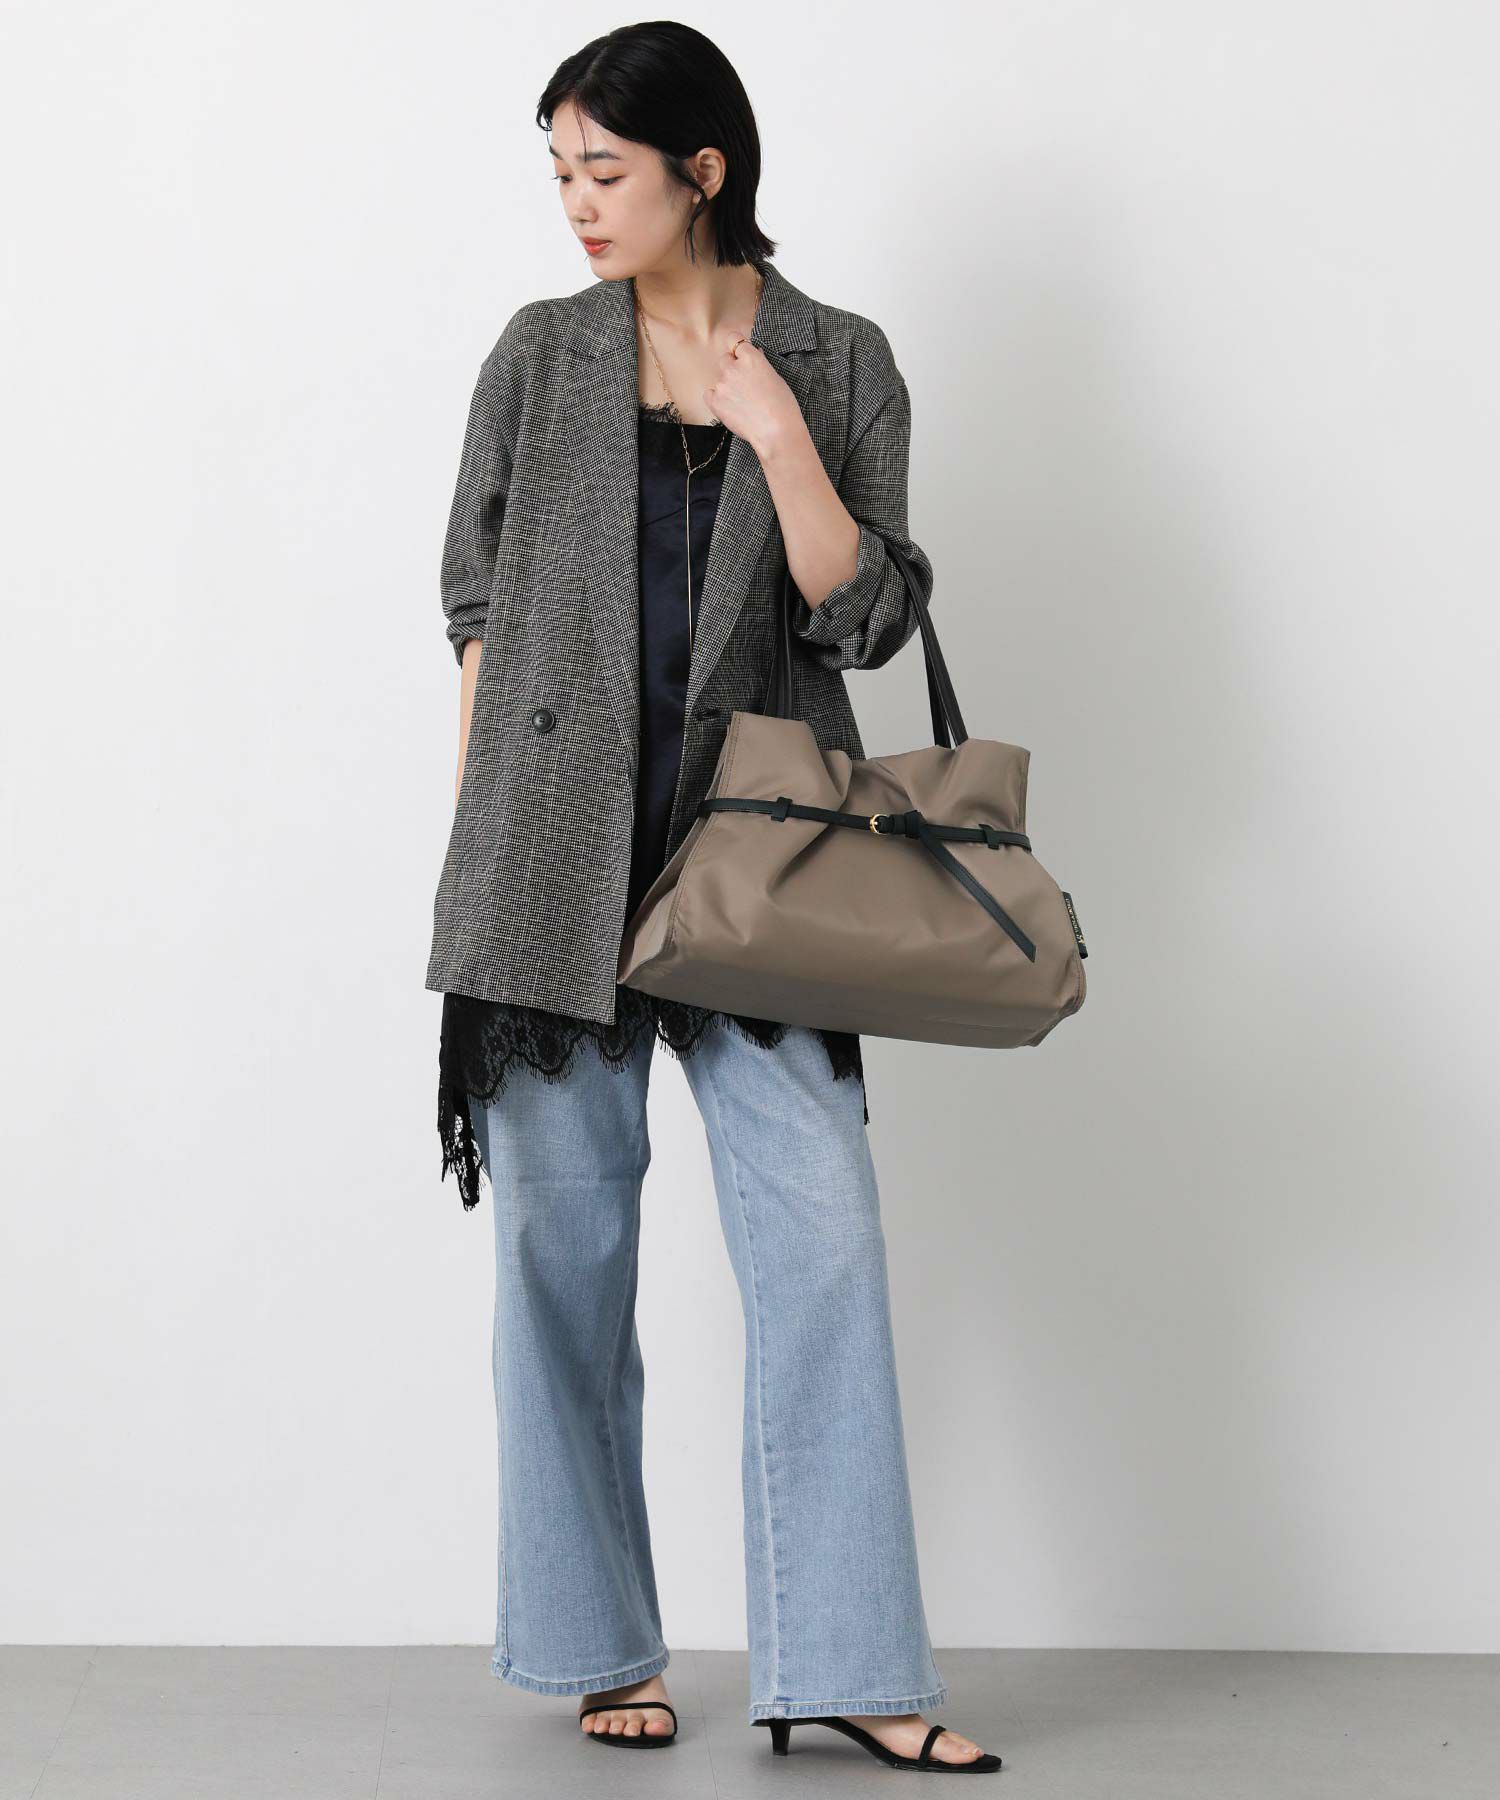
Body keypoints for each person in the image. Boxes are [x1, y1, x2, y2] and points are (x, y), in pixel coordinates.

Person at [425, 21, 1000, 1776]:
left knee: (823, 1244)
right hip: (553, 864)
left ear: (705, 170)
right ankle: (598, 1641)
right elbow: (474, 612)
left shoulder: (837, 358)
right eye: (559, 174)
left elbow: (869, 621)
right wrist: (483, 854)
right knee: (561, 1257)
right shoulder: (539, 355)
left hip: (761, 866)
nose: (576, 205)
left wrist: (779, 441)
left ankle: (853, 1663)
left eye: (604, 171)